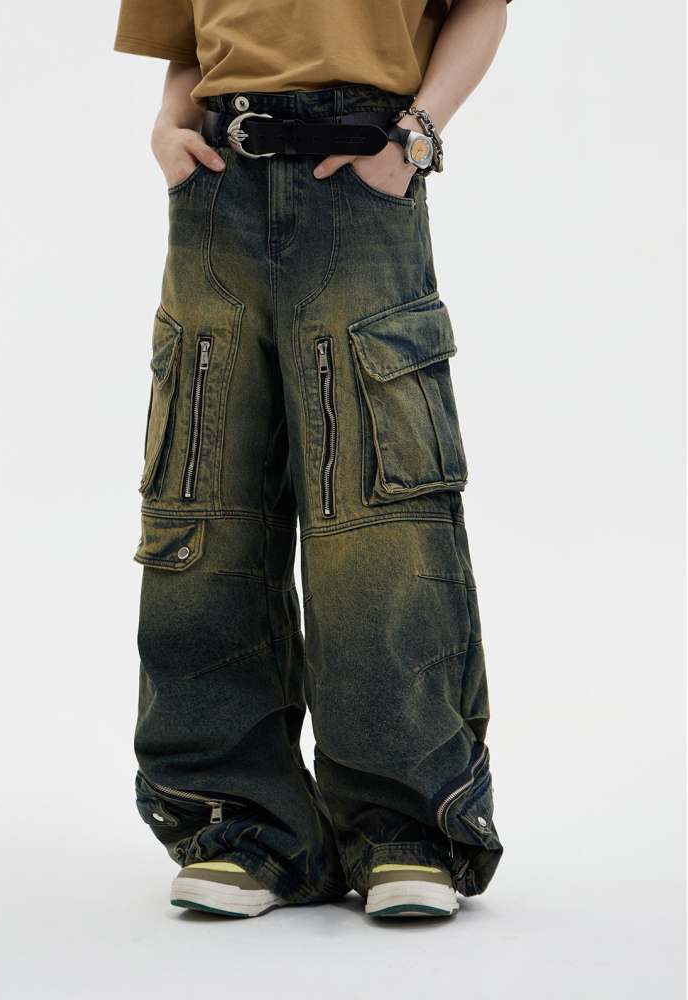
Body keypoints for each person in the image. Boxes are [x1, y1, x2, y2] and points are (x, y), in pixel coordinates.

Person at [115, 0, 509, 920]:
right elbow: (183, 43)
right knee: (205, 499)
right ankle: (241, 826)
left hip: (364, 175)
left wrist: (415, 137)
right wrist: (169, 127)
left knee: (376, 505)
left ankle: (406, 827)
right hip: (216, 186)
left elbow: (483, 8)